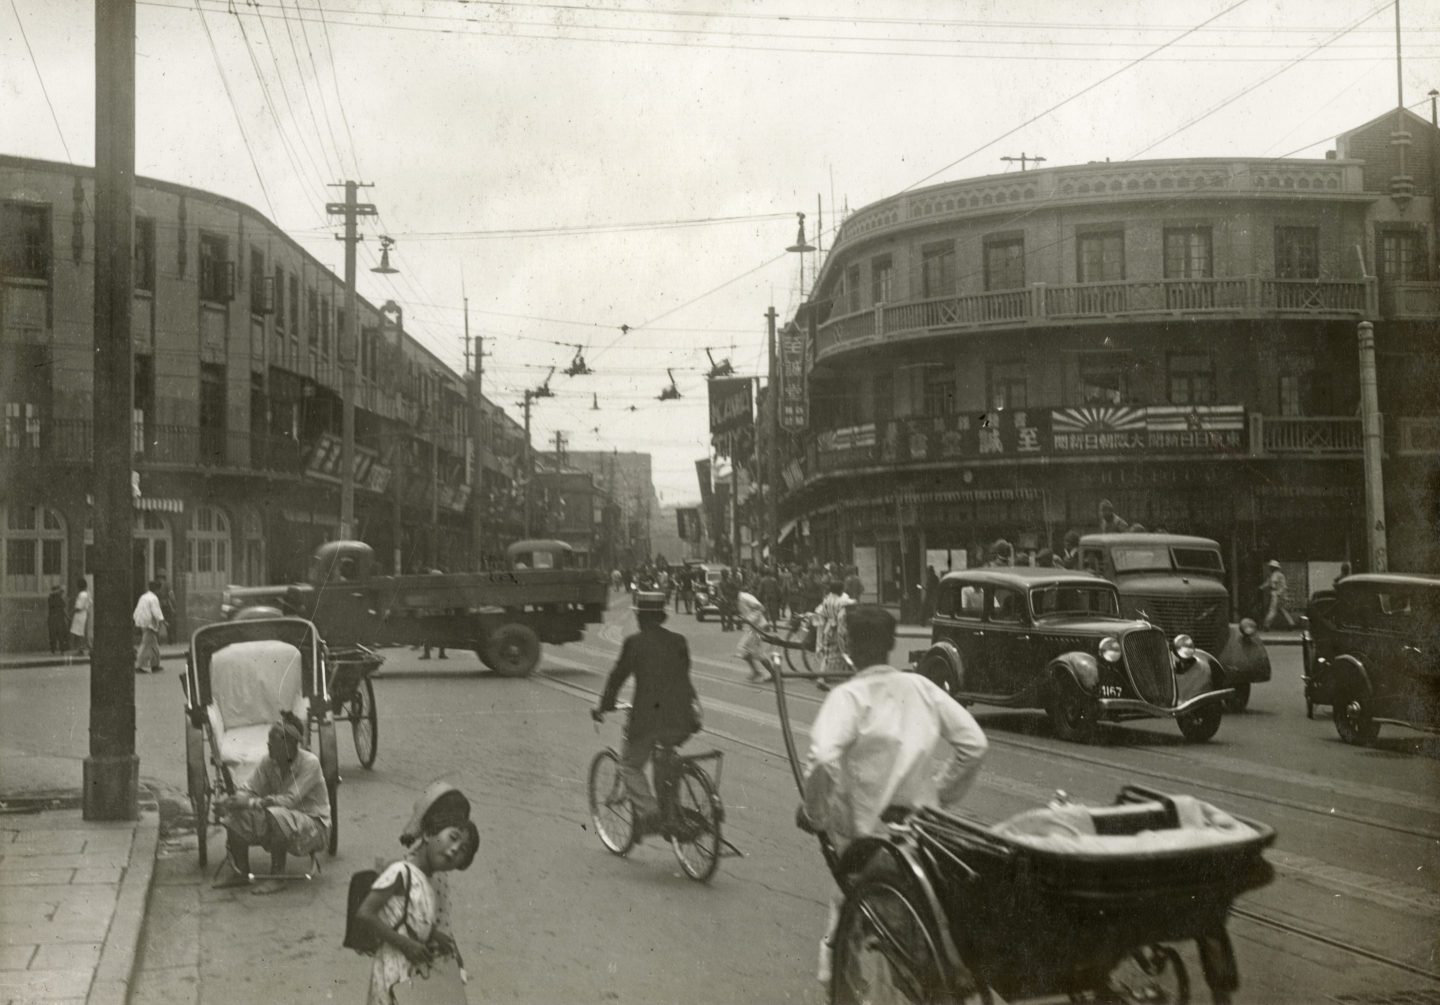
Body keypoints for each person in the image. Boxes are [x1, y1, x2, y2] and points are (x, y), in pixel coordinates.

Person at [798, 605, 989, 986]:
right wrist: (939, 796)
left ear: (849, 645)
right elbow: (974, 744)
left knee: (846, 898)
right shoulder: (920, 687)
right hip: (927, 837)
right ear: (891, 645)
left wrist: (814, 812)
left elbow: (822, 758)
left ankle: (843, 980)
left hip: (869, 844)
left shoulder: (848, 698)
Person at [359, 783, 480, 1005]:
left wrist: (433, 934)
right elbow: (367, 913)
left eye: (462, 848)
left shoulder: (435, 875)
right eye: (452, 836)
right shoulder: (401, 871)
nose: (454, 849)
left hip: (416, 970)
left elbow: (418, 918)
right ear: (428, 829)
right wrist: (407, 944)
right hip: (392, 969)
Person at [592, 591, 700, 834]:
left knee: (629, 766)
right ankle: (671, 814)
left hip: (649, 719)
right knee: (665, 759)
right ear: (662, 616)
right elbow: (683, 676)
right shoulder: (679, 641)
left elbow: (616, 678)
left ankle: (651, 813)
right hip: (683, 718)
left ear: (640, 617)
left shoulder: (635, 643)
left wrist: (604, 706)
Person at [212, 712, 332, 894]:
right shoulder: (268, 761)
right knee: (236, 813)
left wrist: (250, 803)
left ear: (290, 743)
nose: (268, 744)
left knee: (276, 813)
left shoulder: (310, 763)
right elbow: (250, 788)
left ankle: (278, 876)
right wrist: (232, 801)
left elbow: (289, 800)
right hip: (285, 820)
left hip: (313, 825)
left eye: (273, 739)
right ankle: (241, 872)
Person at [812, 579, 854, 692]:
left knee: (828, 654)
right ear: (840, 590)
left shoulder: (827, 599)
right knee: (846, 651)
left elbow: (819, 612)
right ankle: (850, 677)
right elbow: (842, 616)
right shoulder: (842, 601)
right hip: (839, 629)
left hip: (828, 629)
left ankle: (822, 678)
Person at [734, 587, 775, 682]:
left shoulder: (745, 597)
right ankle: (770, 673)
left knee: (744, 647)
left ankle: (757, 671)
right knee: (754, 650)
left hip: (757, 627)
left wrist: (749, 619)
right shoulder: (738, 599)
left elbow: (760, 608)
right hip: (751, 627)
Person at [133, 579, 166, 674]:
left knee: (153, 645)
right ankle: (139, 665)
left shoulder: (144, 596)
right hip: (149, 624)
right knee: (146, 644)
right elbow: (156, 612)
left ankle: (155, 664)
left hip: (143, 622)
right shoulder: (153, 598)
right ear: (157, 589)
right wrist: (162, 621)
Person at [1261, 559, 1296, 630]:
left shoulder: (1277, 575)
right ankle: (1291, 623)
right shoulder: (1276, 575)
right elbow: (1268, 583)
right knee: (1282, 610)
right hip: (1279, 594)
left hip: (1276, 594)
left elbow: (1278, 585)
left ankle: (1266, 625)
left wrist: (1278, 593)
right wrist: (1261, 587)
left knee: (1272, 610)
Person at [69, 578, 91, 656]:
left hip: (80, 614)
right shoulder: (87, 593)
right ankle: (84, 647)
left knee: (79, 632)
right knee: (82, 632)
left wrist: (71, 613)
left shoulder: (81, 595)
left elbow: (78, 607)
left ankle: (80, 649)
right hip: (84, 613)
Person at [155, 572, 177, 644]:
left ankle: (159, 641)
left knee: (160, 623)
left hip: (160, 606)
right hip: (165, 605)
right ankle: (170, 640)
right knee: (168, 622)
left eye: (159, 578)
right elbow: (171, 595)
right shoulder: (167, 585)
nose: (159, 579)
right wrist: (174, 604)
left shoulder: (157, 585)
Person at [47, 584, 68, 654]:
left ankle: (53, 650)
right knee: (61, 634)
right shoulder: (59, 598)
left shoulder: (50, 598)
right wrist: (68, 617)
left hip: (52, 618)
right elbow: (63, 609)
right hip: (59, 618)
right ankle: (62, 650)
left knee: (53, 635)